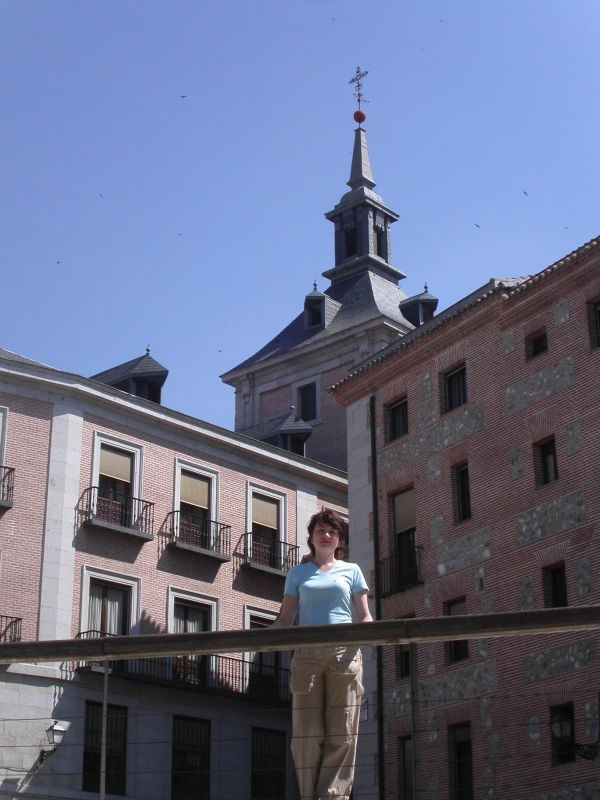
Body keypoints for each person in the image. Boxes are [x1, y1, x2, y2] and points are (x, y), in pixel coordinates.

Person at [277, 509, 373, 800]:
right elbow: (285, 619)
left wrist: (369, 633)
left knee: (342, 731)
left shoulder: (352, 571)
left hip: (345, 652)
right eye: (321, 530)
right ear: (311, 536)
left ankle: (332, 797)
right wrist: (253, 638)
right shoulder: (298, 573)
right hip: (307, 653)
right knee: (306, 734)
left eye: (333, 531)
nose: (326, 535)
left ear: (340, 539)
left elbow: (364, 616)